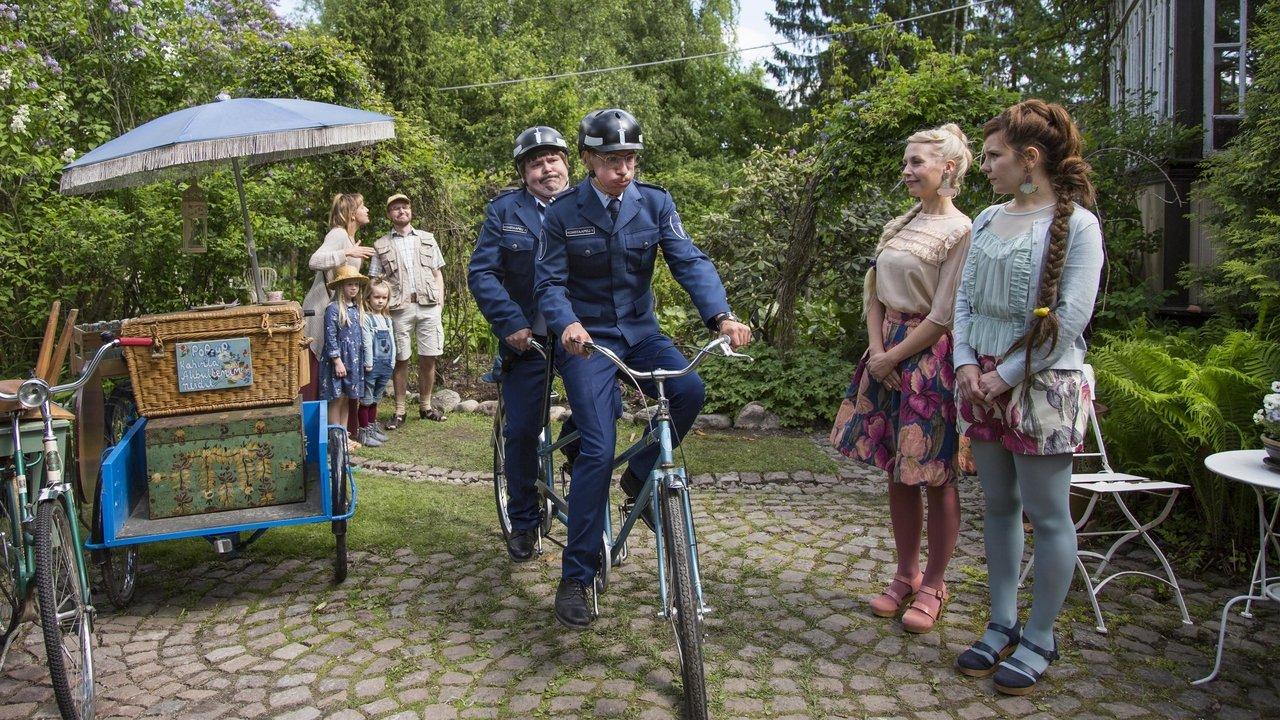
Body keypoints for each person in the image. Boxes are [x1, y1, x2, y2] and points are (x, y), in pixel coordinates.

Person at [535, 108, 752, 629]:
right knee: (596, 446)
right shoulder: (563, 212)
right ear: (588, 159)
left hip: (641, 332)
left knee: (690, 390)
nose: (624, 170)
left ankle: (639, 475)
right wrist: (566, 324)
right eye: (613, 160)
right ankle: (578, 575)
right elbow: (549, 283)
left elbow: (688, 260)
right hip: (587, 339)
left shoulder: (655, 203)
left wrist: (720, 316)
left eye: (631, 159)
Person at [951, 99, 1103, 695]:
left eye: (993, 156)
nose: (984, 166)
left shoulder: (1079, 225)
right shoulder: (987, 219)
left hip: (1042, 385)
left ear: (1030, 158)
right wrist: (966, 362)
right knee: (997, 506)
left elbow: (1069, 317)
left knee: (1047, 513)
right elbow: (963, 299)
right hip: (980, 383)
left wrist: (1006, 373)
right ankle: (1001, 622)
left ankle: (1041, 633)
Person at [830, 123, 974, 634]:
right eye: (907, 162)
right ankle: (906, 573)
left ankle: (935, 583)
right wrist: (876, 351)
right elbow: (874, 292)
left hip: (928, 361)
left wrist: (894, 357)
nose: (907, 170)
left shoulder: (962, 230)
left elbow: (944, 313)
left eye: (917, 163)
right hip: (885, 353)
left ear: (948, 169)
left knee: (934, 474)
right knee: (898, 471)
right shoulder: (899, 225)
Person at [468, 125, 577, 562]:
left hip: (577, 338)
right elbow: (482, 273)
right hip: (527, 340)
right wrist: (510, 323)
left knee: (599, 416)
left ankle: (572, 454)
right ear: (524, 172)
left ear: (567, 163)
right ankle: (525, 522)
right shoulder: (504, 211)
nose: (546, 169)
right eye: (536, 163)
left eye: (553, 159)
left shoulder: (587, 204)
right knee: (521, 432)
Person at [369, 194, 447, 428]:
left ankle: (426, 407)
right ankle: (400, 411)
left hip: (428, 305)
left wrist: (440, 303)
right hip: (398, 309)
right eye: (395, 208)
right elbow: (374, 279)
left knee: (428, 357)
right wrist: (378, 306)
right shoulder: (381, 245)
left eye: (404, 207)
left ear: (410, 211)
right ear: (389, 215)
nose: (401, 211)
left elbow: (437, 273)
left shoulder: (427, 239)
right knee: (400, 359)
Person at [303, 193, 373, 402]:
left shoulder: (349, 238)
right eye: (363, 206)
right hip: (322, 310)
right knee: (322, 370)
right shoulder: (338, 234)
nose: (367, 210)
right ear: (352, 214)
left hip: (339, 313)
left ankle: (344, 429)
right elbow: (314, 260)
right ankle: (321, 429)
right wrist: (346, 252)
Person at [319, 265, 370, 451]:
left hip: (354, 359)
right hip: (338, 360)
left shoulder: (357, 309)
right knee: (337, 397)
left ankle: (344, 436)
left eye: (356, 284)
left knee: (348, 397)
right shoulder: (333, 309)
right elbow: (330, 337)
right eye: (349, 284)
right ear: (341, 286)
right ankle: (335, 439)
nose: (354, 288)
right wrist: (337, 360)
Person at [356, 278, 396, 448]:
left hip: (386, 365)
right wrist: (368, 362)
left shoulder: (387, 319)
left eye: (384, 298)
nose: (380, 301)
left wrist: (393, 361)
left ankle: (372, 427)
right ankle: (363, 431)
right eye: (376, 297)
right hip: (372, 365)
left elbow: (392, 341)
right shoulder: (367, 319)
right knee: (366, 398)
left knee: (376, 399)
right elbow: (366, 342)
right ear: (368, 299)